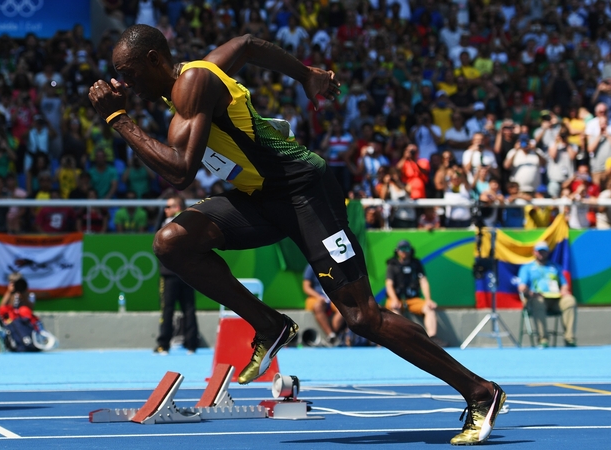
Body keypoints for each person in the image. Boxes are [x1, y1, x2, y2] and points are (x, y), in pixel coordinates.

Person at [89, 26, 505, 445]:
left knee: (363, 318)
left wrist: (117, 119)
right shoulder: (195, 75)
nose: (125, 83)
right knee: (172, 242)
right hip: (260, 198)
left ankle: (480, 391)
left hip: (306, 194)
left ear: (154, 60)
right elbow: (246, 44)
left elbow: (180, 171)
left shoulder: (193, 82)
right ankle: (270, 325)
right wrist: (306, 74)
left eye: (129, 74)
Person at [154, 196, 198, 355]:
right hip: (184, 273)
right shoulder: (190, 223)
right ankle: (190, 345)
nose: (165, 210)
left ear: (177, 208)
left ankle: (165, 344)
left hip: (173, 273)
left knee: (170, 309)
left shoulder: (169, 224)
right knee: (186, 308)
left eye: (168, 207)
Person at [385, 241, 446, 347]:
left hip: (413, 299)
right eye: (401, 249)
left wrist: (428, 299)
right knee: (394, 310)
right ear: (397, 251)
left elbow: (424, 281)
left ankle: (432, 339)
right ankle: (400, 339)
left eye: (406, 249)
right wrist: (394, 299)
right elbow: (389, 284)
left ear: (411, 250)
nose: (404, 252)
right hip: (397, 299)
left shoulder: (416, 263)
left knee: (429, 308)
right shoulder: (392, 264)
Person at [517, 241, 577, 348]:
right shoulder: (527, 268)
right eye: (539, 251)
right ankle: (543, 339)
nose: (541, 254)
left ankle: (569, 339)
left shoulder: (555, 267)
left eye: (544, 251)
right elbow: (521, 286)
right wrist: (529, 292)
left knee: (570, 300)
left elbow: (564, 284)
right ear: (534, 252)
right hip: (537, 299)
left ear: (548, 252)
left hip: (555, 299)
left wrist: (564, 290)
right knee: (538, 302)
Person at [302, 263, 344, 346]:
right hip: (316, 298)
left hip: (332, 298)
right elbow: (306, 287)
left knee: (343, 307)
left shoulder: (334, 266)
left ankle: (332, 336)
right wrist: (319, 297)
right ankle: (331, 335)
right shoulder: (311, 266)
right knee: (318, 305)